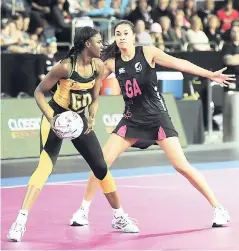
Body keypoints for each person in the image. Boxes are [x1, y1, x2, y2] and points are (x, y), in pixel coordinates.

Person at [71, 20, 234, 228]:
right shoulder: (111, 64)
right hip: (131, 119)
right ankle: (82, 211)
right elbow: (92, 84)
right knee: (100, 163)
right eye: (118, 33)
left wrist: (209, 74)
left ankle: (218, 208)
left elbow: (180, 64)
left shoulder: (148, 53)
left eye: (125, 33)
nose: (121, 37)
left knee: (181, 166)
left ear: (133, 36)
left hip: (157, 118)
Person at [7, 26, 139, 242]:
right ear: (87, 43)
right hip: (57, 116)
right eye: (98, 41)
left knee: (100, 167)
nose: (102, 45)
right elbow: (39, 92)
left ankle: (119, 215)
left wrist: (93, 116)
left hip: (79, 120)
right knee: (45, 167)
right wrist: (52, 119)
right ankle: (20, 222)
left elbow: (94, 97)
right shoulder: (65, 67)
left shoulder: (98, 66)